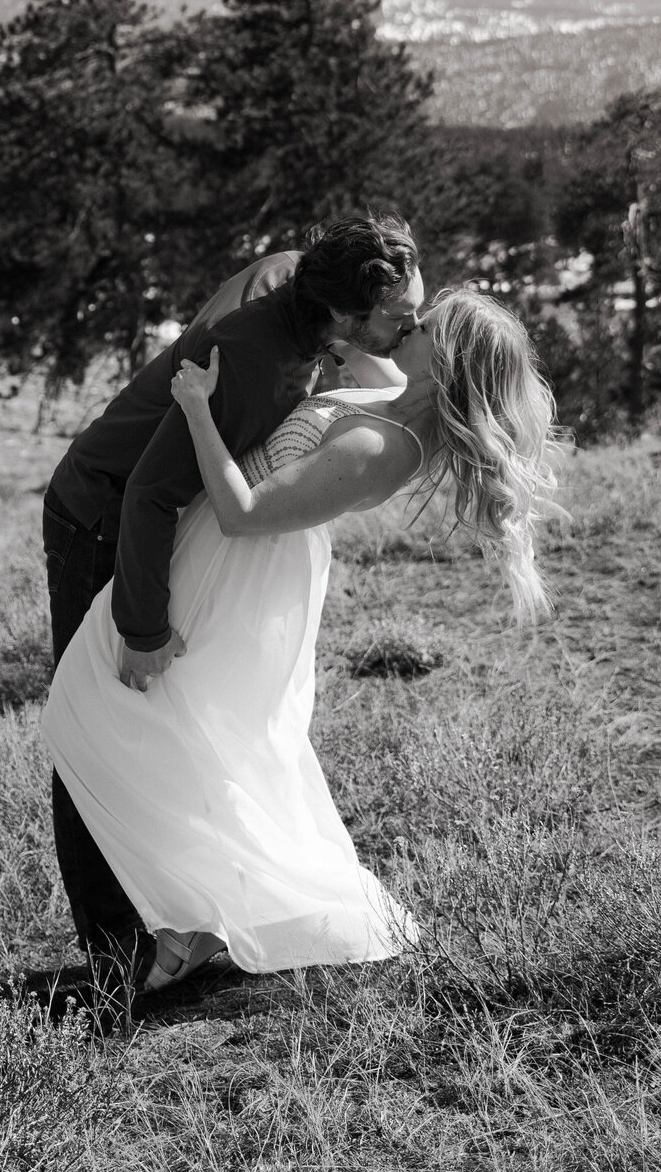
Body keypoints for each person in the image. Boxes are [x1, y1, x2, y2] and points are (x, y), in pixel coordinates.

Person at [41, 286, 559, 993]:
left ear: (445, 360)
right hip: (223, 558)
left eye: (426, 325)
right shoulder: (397, 393)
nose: (411, 322)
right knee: (174, 728)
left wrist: (196, 408)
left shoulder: (381, 445)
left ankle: (211, 915)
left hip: (239, 566)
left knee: (111, 711)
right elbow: (364, 373)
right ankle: (189, 920)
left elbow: (243, 512)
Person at [41, 214, 425, 993]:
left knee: (178, 720)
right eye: (401, 316)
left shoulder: (298, 284)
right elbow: (150, 490)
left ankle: (188, 922)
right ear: (346, 314)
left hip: (169, 520)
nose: (415, 324)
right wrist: (141, 626)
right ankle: (118, 958)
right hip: (106, 514)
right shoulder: (251, 362)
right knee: (97, 719)